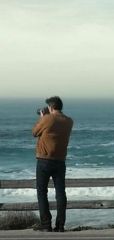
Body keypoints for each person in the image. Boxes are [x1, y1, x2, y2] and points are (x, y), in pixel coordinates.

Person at [31, 96, 74, 232]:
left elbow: (34, 132)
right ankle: (60, 225)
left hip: (44, 160)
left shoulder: (47, 119)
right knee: (60, 193)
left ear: (50, 107)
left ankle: (46, 225)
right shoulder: (69, 121)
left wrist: (43, 117)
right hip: (60, 161)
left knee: (42, 192)